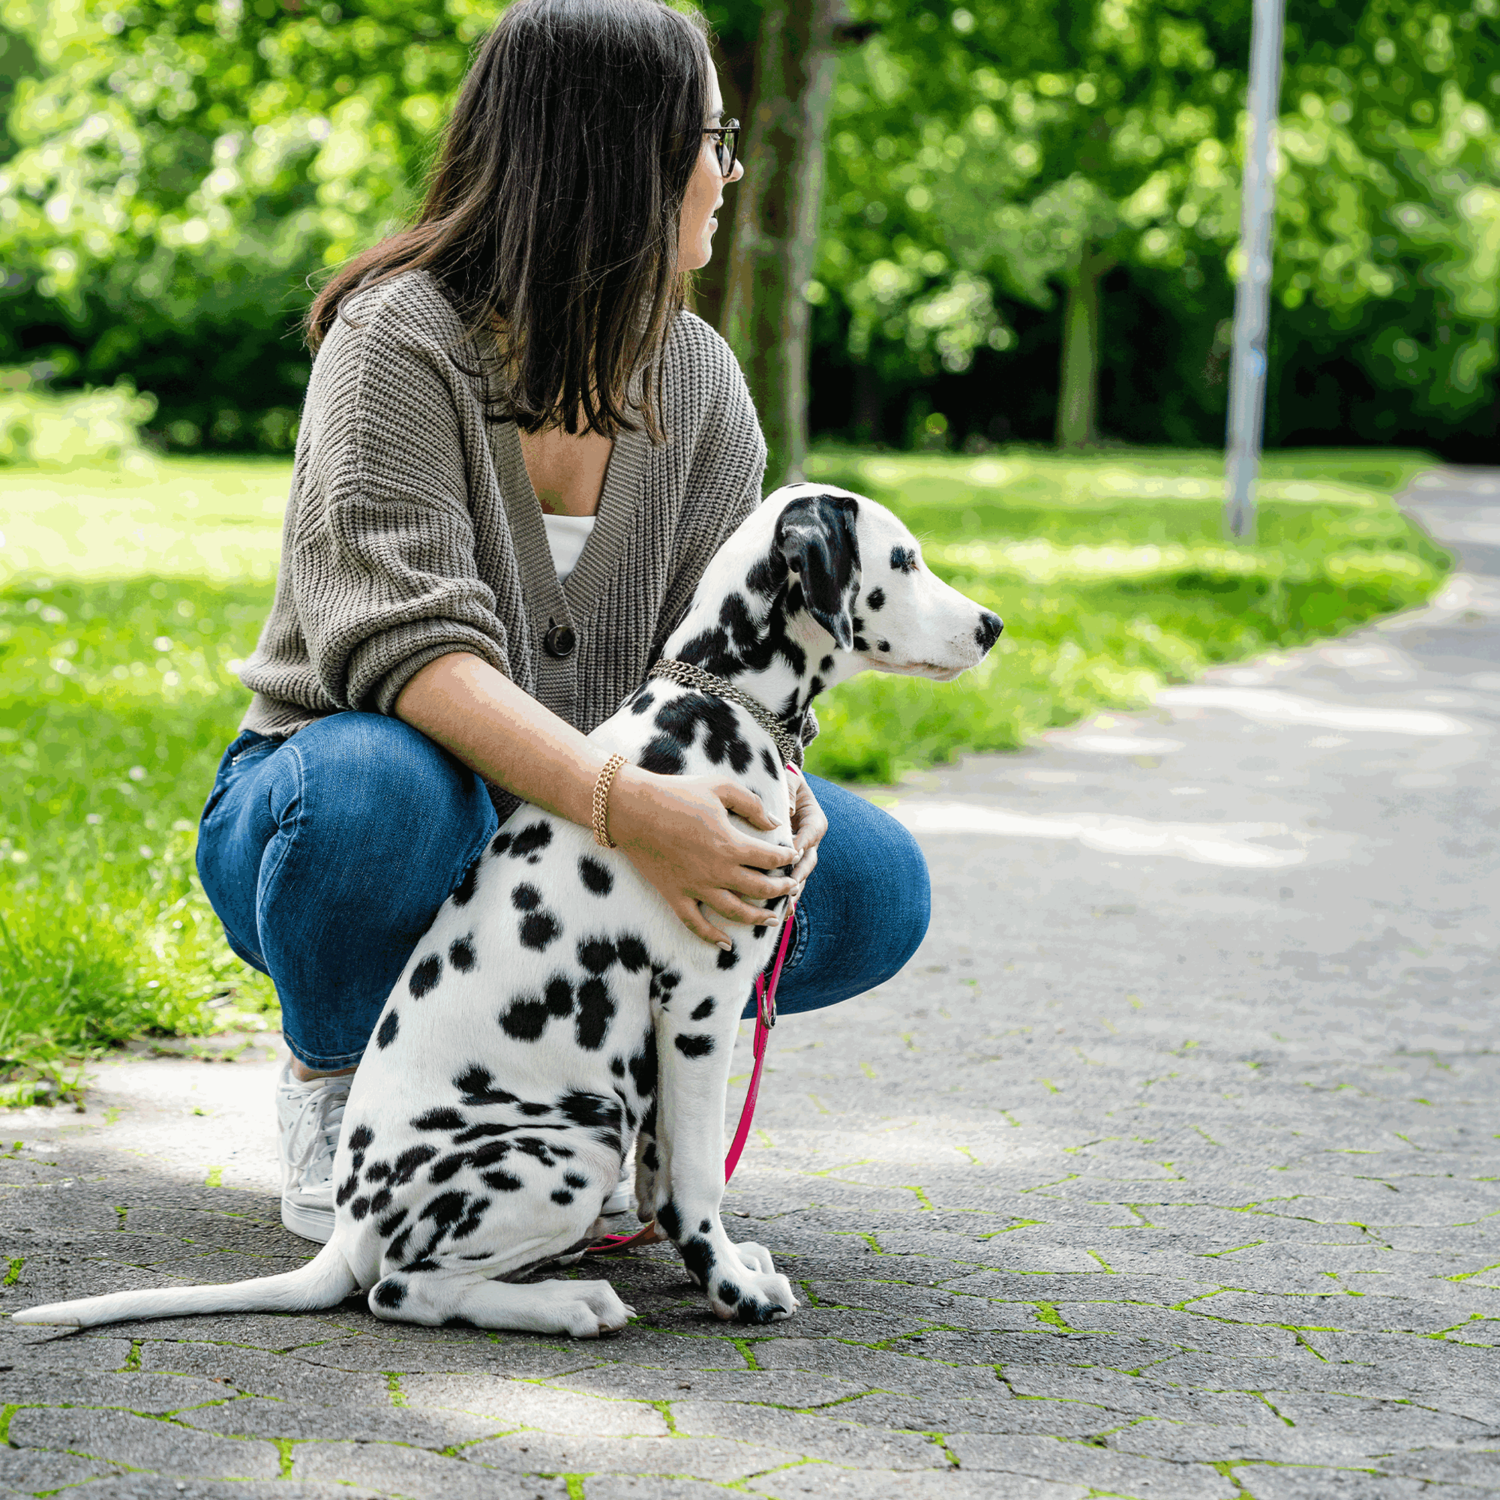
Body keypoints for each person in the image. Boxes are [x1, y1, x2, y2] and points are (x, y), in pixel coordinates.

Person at [195, 0, 931, 1245]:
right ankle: (339, 1085)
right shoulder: (395, 342)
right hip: (358, 799)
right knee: (379, 795)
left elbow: (727, 672)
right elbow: (412, 656)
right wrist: (627, 805)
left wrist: (775, 788)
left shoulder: (698, 380)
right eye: (711, 135)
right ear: (621, 157)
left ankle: (584, 1094)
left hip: (572, 863)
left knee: (864, 881)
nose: (728, 169)